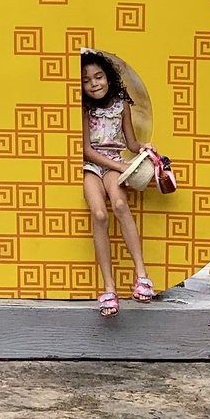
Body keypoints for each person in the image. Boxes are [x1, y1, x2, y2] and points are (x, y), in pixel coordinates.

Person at [80, 49, 154, 318]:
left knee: (121, 204)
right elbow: (86, 151)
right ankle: (108, 287)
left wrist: (142, 148)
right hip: (92, 164)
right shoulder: (83, 109)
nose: (94, 83)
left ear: (109, 78)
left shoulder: (121, 104)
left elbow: (130, 142)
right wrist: (121, 166)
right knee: (99, 214)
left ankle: (142, 275)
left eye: (98, 76)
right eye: (86, 80)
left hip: (113, 161)